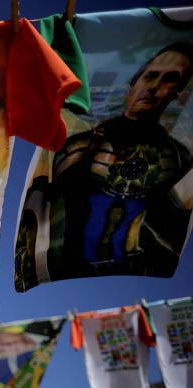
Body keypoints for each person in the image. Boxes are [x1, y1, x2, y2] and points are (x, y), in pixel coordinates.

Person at [52, 42, 193, 278]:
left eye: (170, 79)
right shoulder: (82, 144)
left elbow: (172, 220)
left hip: (134, 266)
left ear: (179, 94)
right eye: (150, 76)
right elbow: (53, 201)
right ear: (131, 87)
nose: (154, 87)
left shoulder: (177, 157)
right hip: (74, 264)